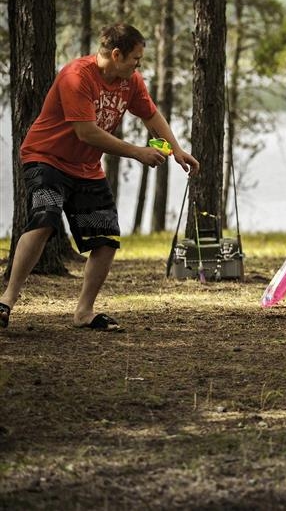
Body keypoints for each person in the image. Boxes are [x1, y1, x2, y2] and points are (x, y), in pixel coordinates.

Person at [0, 23, 200, 332]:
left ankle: (84, 312)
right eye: (136, 58)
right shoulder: (76, 76)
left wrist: (176, 150)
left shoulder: (130, 81)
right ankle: (6, 302)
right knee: (44, 219)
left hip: (86, 168)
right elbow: (86, 132)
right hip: (46, 159)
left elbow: (150, 115)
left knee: (107, 238)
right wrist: (137, 152)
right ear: (117, 54)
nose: (138, 65)